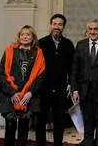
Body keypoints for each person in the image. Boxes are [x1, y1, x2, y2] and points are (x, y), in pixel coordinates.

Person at [0, 25, 46, 146]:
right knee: (10, 128)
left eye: (28, 34)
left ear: (33, 37)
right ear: (18, 36)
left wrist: (30, 93)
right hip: (11, 96)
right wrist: (12, 93)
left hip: (28, 97)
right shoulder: (9, 50)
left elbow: (41, 76)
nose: (25, 36)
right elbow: (1, 73)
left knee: (24, 129)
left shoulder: (38, 53)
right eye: (22, 34)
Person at [72, 19, 98, 146]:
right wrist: (75, 89)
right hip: (84, 90)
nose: (92, 31)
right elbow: (75, 69)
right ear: (87, 30)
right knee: (87, 118)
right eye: (90, 29)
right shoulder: (81, 45)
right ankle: (88, 140)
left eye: (95, 29)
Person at [36, 14, 75, 146]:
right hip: (43, 87)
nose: (56, 27)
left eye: (59, 24)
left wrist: (70, 83)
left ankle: (58, 144)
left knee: (59, 120)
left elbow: (72, 67)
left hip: (61, 88)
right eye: (54, 24)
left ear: (63, 26)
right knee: (41, 120)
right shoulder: (41, 43)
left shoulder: (68, 44)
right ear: (50, 25)